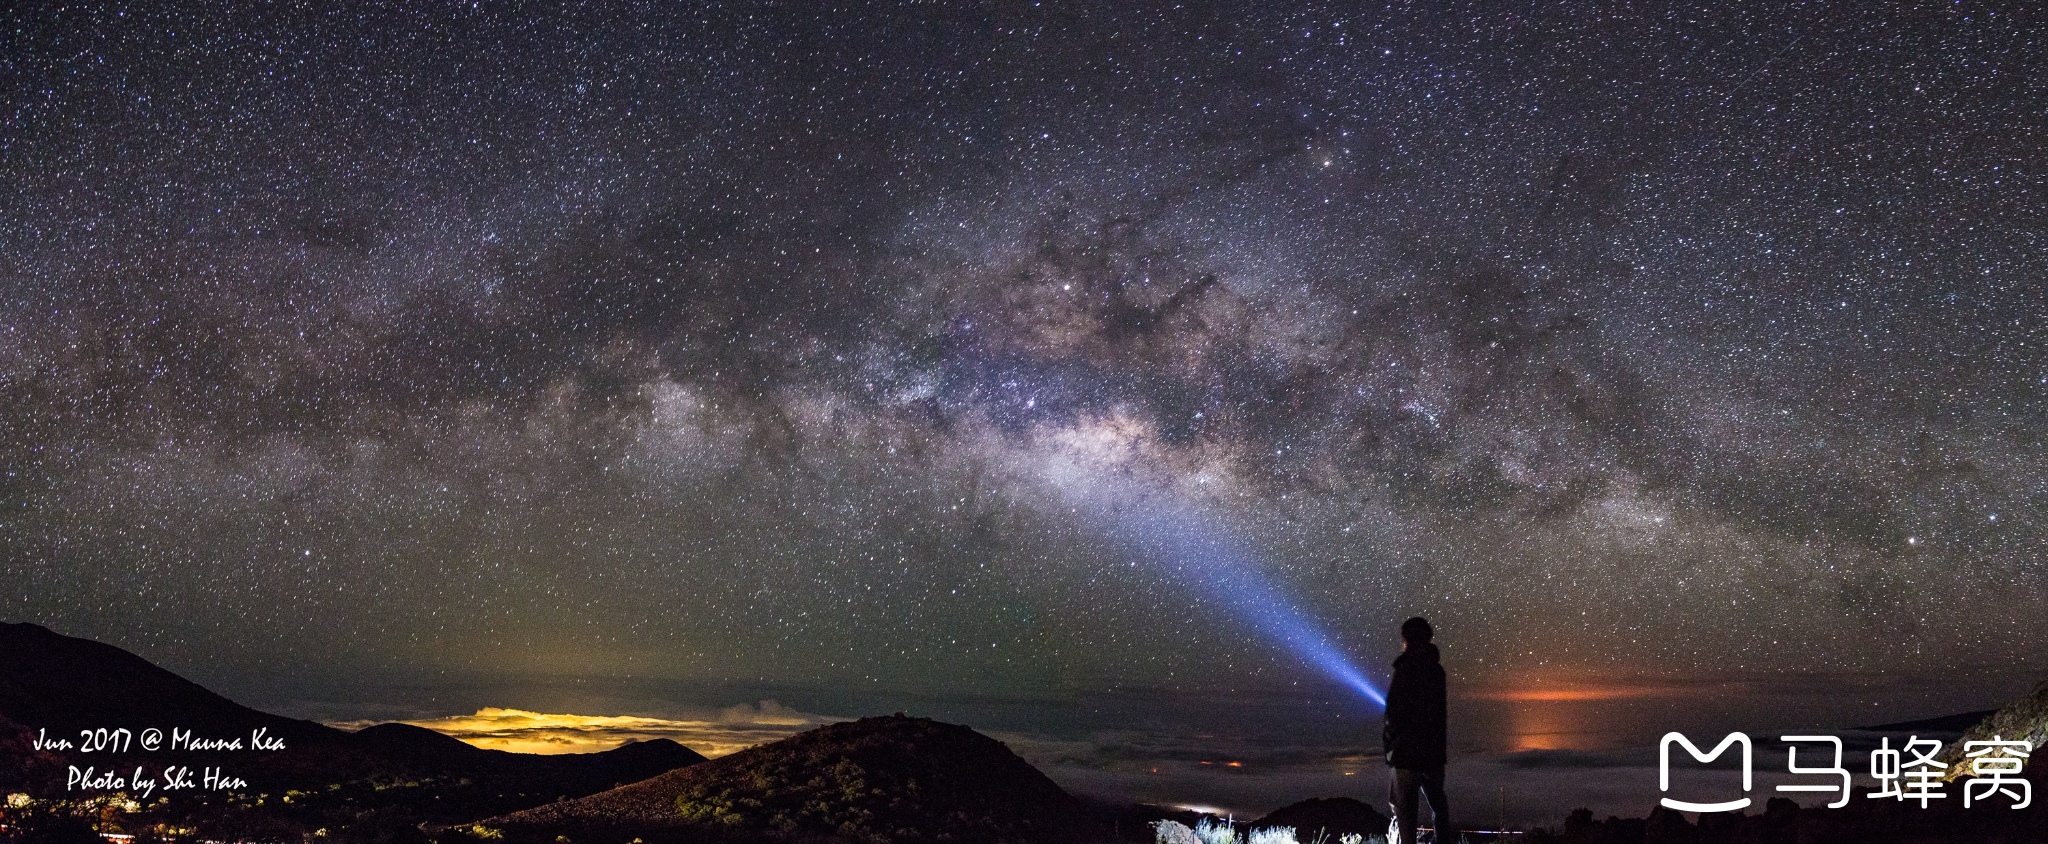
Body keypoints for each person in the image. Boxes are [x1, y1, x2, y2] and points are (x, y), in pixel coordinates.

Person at [1384, 616, 1450, 844]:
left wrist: (1391, 747)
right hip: (1433, 752)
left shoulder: (1404, 669)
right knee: (1437, 801)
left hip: (1405, 753)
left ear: (1406, 639)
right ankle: (1442, 840)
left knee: (1403, 806)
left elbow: (1394, 712)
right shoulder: (1437, 671)